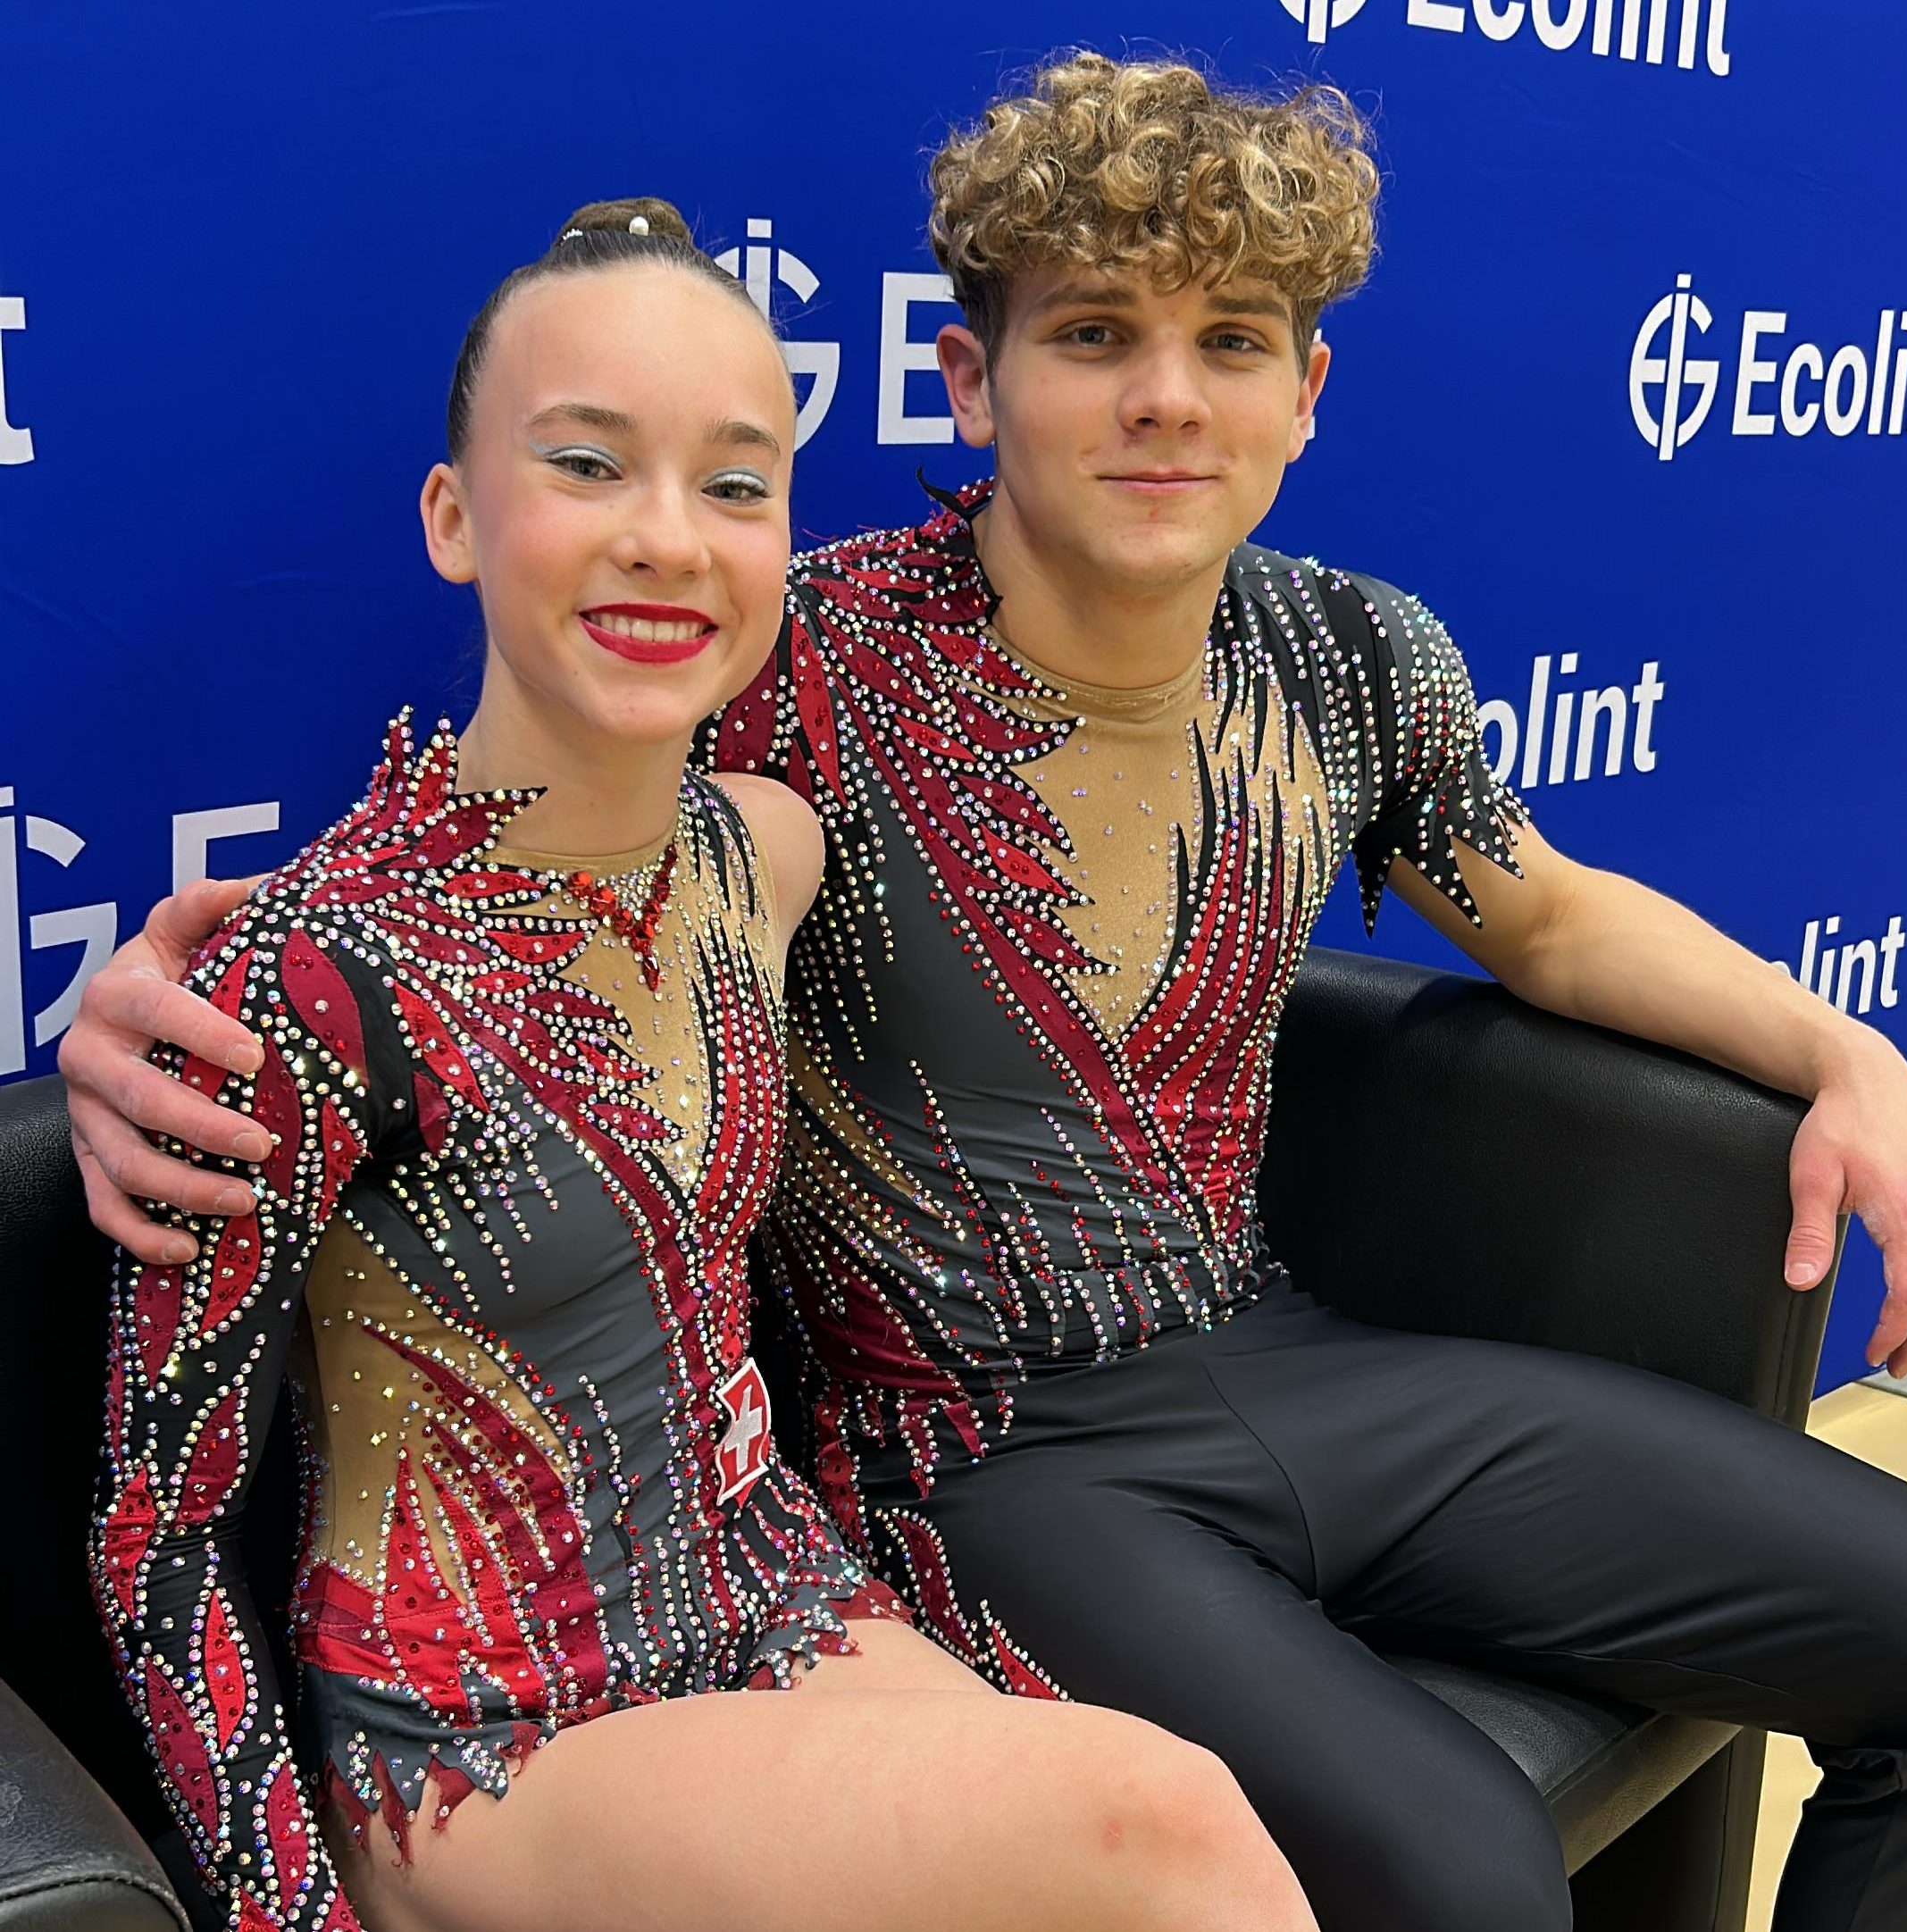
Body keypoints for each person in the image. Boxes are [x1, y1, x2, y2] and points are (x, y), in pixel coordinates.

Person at [67, 55, 1907, 1932]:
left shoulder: (1353, 655)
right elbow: (517, 852)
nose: (1165, 395)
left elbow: (1550, 918)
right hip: (969, 1461)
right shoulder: (788, 654)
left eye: (1232, 339)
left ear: (1308, 393)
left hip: (1277, 1352)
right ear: (972, 379)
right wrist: (159, 1005)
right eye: (1097, 332)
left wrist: (1845, 1049)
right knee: (1456, 1869)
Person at [79, 196, 1316, 1932]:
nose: (668, 538)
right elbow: (156, 1538)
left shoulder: (764, 857)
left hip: (774, 1604)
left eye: (737, 485)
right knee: (1161, 1825)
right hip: (489, 1743)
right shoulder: (309, 981)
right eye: (589, 466)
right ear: (454, 517)